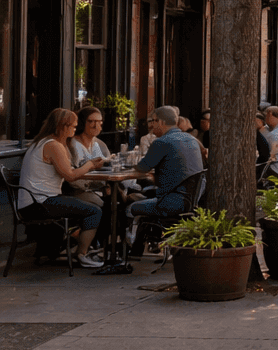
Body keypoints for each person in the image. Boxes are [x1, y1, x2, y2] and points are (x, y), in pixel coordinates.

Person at [17, 108, 105, 268]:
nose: (74, 129)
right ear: (62, 126)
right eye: (72, 126)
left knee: (87, 206)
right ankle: (83, 255)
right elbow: (70, 175)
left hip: (35, 201)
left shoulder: (45, 141)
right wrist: (90, 164)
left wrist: (87, 167)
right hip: (39, 203)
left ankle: (79, 247)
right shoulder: (53, 145)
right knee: (94, 211)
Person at [123, 107, 205, 252]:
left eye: (152, 121)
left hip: (170, 203)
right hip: (191, 201)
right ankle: (143, 245)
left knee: (130, 207)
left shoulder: (162, 142)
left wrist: (127, 163)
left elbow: (143, 167)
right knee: (146, 194)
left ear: (160, 122)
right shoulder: (191, 139)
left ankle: (126, 250)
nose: (151, 125)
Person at [66, 106, 111, 208]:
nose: (96, 126)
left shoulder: (97, 144)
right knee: (103, 204)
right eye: (91, 121)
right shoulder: (72, 144)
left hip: (97, 188)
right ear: (82, 123)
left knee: (117, 198)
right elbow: (70, 178)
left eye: (99, 121)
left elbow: (106, 164)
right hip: (77, 190)